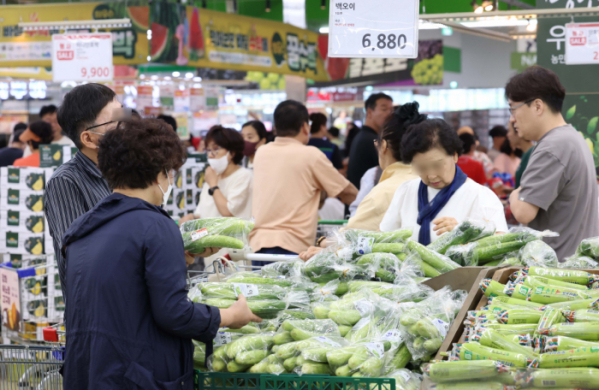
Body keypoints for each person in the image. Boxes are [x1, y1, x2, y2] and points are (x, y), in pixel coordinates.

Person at [61, 118, 260, 389]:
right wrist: (229, 316)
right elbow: (173, 313)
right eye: (171, 173)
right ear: (159, 175)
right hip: (136, 374)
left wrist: (182, 259)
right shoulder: (156, 225)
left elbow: (124, 288)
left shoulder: (82, 227)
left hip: (87, 370)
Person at [507, 66, 599, 259]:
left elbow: (523, 212)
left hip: (558, 269)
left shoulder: (552, 147)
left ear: (538, 106)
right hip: (576, 264)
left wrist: (515, 194)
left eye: (513, 109)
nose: (512, 119)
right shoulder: (573, 138)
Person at [45, 83, 128, 295]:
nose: (126, 126)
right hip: (97, 312)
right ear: (89, 138)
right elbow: (79, 258)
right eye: (116, 121)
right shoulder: (66, 182)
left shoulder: (127, 172)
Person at [251, 100, 358, 264]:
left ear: (275, 127)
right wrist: (369, 210)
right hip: (292, 248)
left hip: (258, 246)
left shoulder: (261, 152)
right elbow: (346, 192)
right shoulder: (310, 155)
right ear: (305, 127)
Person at [380, 119, 507, 244]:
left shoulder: (481, 197)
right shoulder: (406, 191)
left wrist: (466, 233)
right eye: (421, 168)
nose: (431, 175)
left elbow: (501, 245)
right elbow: (385, 238)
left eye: (437, 165)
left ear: (454, 155)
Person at [345, 102, 425, 231]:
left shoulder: (382, 194)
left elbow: (349, 239)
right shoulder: (434, 182)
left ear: (383, 146)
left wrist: (322, 241)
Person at [191, 126, 252, 220]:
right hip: (208, 233)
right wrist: (192, 217)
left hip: (231, 234)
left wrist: (213, 186)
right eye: (208, 150)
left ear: (232, 152)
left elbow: (228, 212)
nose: (211, 155)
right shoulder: (213, 175)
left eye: (216, 149)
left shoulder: (244, 176)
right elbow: (202, 211)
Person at [347, 93, 393, 188]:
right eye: (384, 109)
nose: (389, 114)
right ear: (369, 112)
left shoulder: (362, 136)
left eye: (391, 110)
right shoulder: (372, 140)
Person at [507, 122, 535, 188]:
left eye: (509, 131)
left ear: (518, 131)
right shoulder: (526, 153)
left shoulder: (532, 153)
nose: (508, 135)